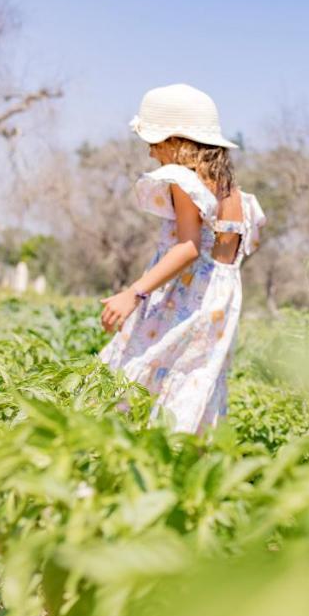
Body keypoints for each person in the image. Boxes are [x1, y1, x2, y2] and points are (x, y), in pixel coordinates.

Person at [99, 84, 266, 433]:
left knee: (137, 371)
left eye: (154, 143)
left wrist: (134, 292)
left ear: (177, 142)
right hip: (220, 300)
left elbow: (188, 247)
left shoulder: (183, 180)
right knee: (194, 379)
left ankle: (112, 460)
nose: (150, 153)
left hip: (185, 295)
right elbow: (226, 254)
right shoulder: (234, 193)